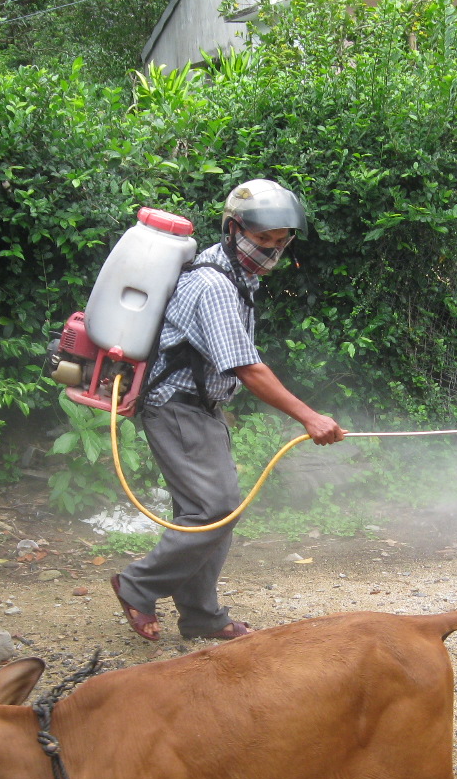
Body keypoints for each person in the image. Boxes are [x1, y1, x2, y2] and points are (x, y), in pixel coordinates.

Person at [110, 179, 344, 643]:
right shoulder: (213, 283)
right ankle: (137, 584)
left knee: (206, 512)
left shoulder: (239, 276)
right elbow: (246, 368)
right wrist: (309, 417)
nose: (271, 251)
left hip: (201, 408)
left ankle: (201, 617)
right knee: (215, 510)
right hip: (177, 408)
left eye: (281, 241)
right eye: (262, 240)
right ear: (234, 228)